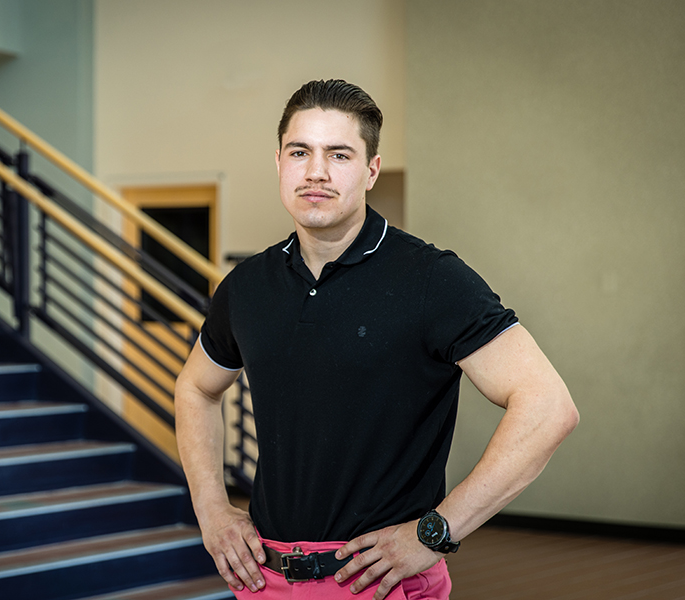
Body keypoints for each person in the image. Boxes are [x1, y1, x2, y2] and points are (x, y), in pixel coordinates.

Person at [175, 79, 579, 600]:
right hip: (264, 578)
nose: (316, 171)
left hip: (381, 581)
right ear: (279, 162)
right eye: (300, 152)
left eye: (338, 154)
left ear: (371, 170)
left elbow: (548, 407)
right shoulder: (247, 287)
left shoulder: (430, 279)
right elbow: (196, 388)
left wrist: (436, 532)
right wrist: (210, 509)